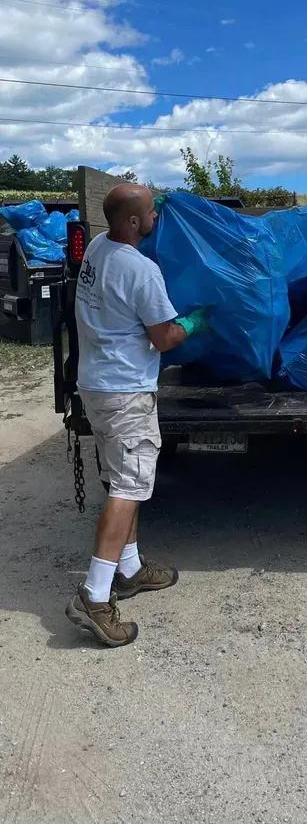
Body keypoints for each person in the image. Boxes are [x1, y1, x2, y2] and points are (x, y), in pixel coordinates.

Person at [65, 184, 209, 647]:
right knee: (128, 490)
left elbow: (128, 226)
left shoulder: (100, 248)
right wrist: (193, 322)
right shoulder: (140, 269)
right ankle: (94, 596)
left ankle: (129, 569)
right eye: (149, 213)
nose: (155, 218)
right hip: (126, 393)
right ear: (131, 223)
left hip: (96, 385)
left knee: (123, 480)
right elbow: (164, 338)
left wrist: (146, 206)